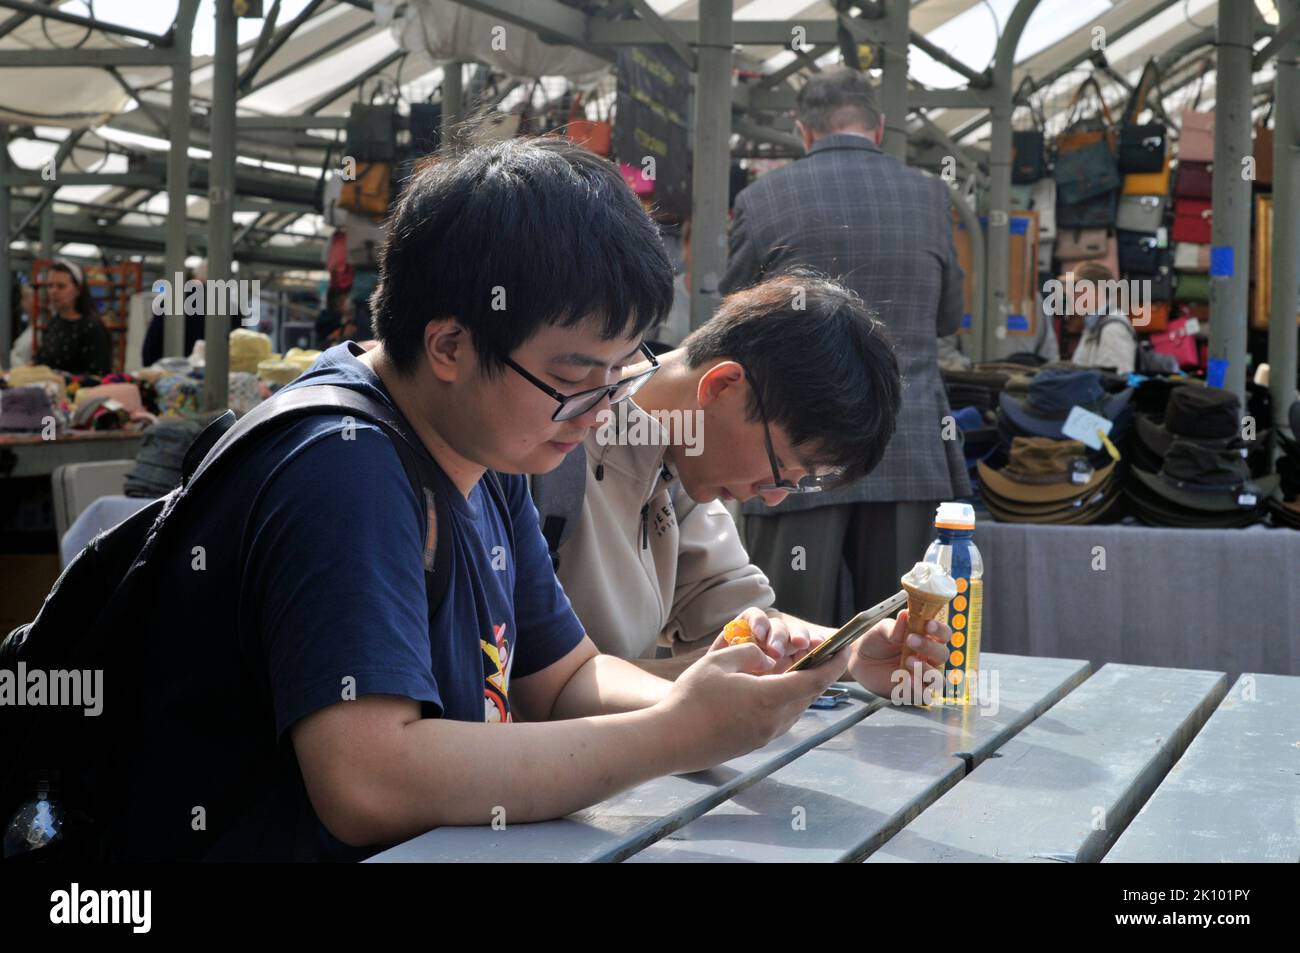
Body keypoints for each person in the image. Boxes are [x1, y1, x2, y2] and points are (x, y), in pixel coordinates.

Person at [102, 137, 849, 862]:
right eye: (576, 376)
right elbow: (368, 779)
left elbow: (563, 679)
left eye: (620, 373)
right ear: (450, 346)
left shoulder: (488, 457)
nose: (599, 410)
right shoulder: (343, 468)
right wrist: (676, 735)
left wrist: (707, 694)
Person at [551, 270, 950, 692]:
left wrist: (851, 653)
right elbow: (538, 685)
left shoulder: (678, 457)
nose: (775, 498)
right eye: (779, 467)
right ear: (723, 386)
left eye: (797, 483)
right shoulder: (552, 449)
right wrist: (702, 677)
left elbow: (742, 616)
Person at [720, 68, 969, 626]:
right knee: (912, 637)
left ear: (802, 131)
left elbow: (731, 320)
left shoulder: (764, 198)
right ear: (878, 127)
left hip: (792, 450)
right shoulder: (930, 196)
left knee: (787, 641)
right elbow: (949, 316)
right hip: (906, 448)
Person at [33, 259, 111, 375]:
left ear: (78, 290)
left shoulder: (92, 328)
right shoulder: (54, 323)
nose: (53, 291)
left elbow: (99, 375)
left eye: (61, 286)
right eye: (50, 286)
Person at [1066, 261, 1137, 374]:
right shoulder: (1094, 324)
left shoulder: (1113, 329)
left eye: (1076, 288)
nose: (1070, 294)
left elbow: (1116, 382)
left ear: (1096, 292)